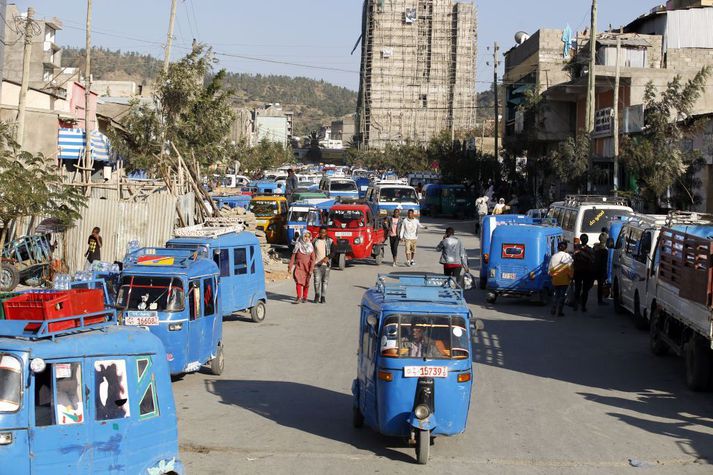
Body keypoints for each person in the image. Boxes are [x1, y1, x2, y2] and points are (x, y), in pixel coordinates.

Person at [288, 231, 316, 303]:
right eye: (305, 236)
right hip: (299, 267)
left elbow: (313, 259)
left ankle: (305, 297)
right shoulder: (298, 245)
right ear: (302, 236)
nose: (306, 238)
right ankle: (299, 297)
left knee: (306, 283)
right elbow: (293, 257)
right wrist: (290, 267)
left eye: (308, 237)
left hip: (307, 268)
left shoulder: (310, 247)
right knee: (298, 282)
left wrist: (311, 269)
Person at [548, 241, 574, 317]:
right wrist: (571, 277)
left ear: (557, 247)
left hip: (555, 279)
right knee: (562, 295)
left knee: (556, 294)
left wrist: (551, 276)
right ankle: (559, 311)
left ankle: (553, 309)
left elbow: (550, 269)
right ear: (565, 248)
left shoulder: (554, 256)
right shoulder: (568, 257)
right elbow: (570, 269)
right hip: (565, 280)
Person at [572, 234, 595, 312]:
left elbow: (591, 259)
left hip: (583, 272)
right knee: (581, 289)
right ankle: (580, 306)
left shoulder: (579, 249)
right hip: (582, 271)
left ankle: (580, 305)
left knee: (580, 289)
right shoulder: (587, 249)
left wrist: (581, 253)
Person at [312, 226, 333, 304]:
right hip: (316, 265)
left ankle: (323, 297)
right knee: (316, 281)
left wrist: (328, 257)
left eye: (324, 232)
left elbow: (334, 251)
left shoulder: (330, 241)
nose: (322, 234)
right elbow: (311, 252)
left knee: (325, 281)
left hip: (326, 265)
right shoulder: (315, 241)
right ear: (319, 232)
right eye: (321, 232)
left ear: (326, 233)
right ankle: (317, 295)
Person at [593, 233, 609, 306]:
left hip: (594, 269)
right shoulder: (604, 250)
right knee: (600, 286)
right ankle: (600, 300)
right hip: (601, 270)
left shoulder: (595, 247)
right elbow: (604, 263)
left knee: (588, 285)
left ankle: (581, 299)